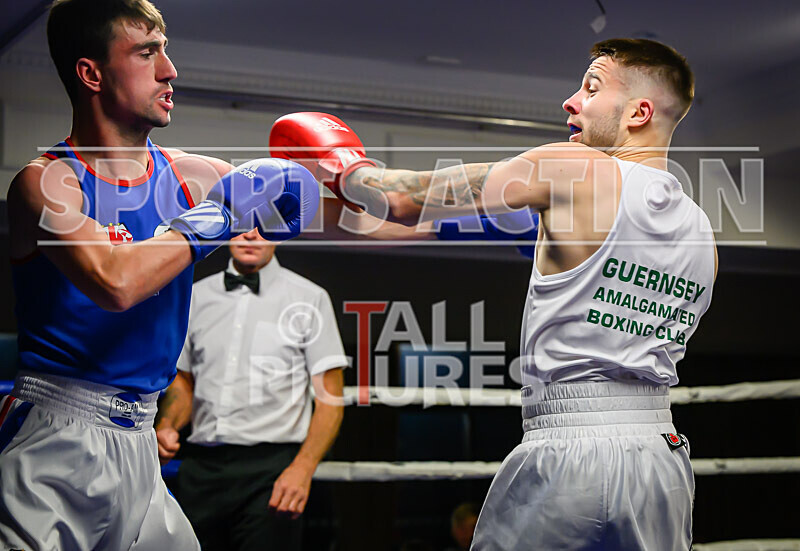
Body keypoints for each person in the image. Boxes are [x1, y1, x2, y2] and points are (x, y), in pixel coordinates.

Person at [269, 38, 718, 550]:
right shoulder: (700, 230)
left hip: (572, 450)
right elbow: (425, 225)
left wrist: (343, 166)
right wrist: (293, 214)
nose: (571, 101)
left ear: (639, 112)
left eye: (592, 88)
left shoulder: (571, 168)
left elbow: (400, 200)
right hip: (661, 457)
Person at [0, 0, 317, 548]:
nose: (169, 71)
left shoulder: (193, 175)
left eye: (164, 51)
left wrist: (358, 179)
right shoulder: (46, 183)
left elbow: (361, 213)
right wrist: (219, 215)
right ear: (91, 73)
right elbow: (114, 282)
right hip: (55, 441)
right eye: (147, 53)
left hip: (141, 444)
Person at [155, 228, 347, 550]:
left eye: (263, 227)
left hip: (272, 472)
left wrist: (302, 468)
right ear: (227, 230)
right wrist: (168, 425)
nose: (251, 235)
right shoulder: (195, 296)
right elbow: (184, 382)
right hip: (201, 468)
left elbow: (331, 400)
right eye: (243, 225)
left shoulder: (309, 298)